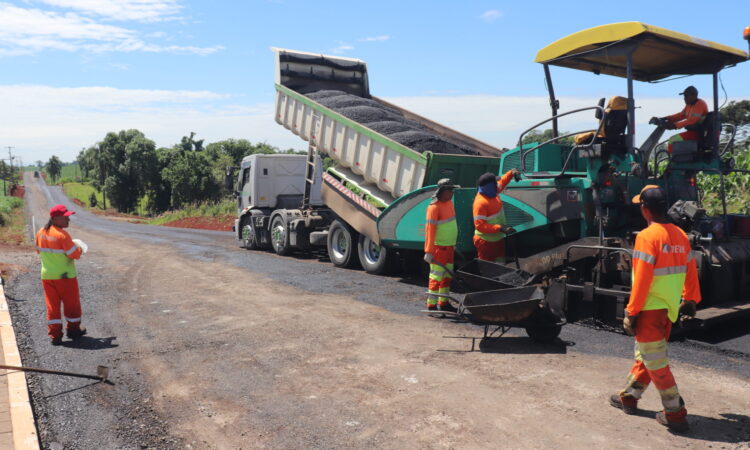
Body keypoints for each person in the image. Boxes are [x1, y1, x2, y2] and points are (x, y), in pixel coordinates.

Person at [609, 185, 701, 432]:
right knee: (648, 356)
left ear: (645, 209)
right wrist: (690, 299)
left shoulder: (647, 237)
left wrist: (632, 311)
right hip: (668, 310)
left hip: (649, 309)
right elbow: (691, 269)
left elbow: (641, 280)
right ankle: (629, 396)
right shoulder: (681, 235)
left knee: (656, 363)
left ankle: (676, 413)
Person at [35, 204, 87, 345]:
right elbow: (75, 255)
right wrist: (80, 248)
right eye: (66, 217)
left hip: (47, 276)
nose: (68, 220)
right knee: (72, 305)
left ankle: (55, 336)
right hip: (65, 277)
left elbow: (39, 251)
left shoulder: (40, 232)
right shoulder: (62, 235)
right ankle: (73, 330)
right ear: (56, 219)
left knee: (52, 306)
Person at [423, 179, 458, 312]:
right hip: (439, 249)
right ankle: (431, 306)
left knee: (447, 277)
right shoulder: (434, 207)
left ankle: (443, 303)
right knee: (436, 277)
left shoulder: (449, 203)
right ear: (442, 191)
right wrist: (429, 251)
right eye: (450, 190)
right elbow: (429, 231)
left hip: (449, 247)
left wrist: (453, 244)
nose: (452, 193)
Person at [472, 169, 518, 263]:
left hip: (498, 239)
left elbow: (502, 181)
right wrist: (500, 228)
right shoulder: (481, 203)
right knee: (487, 268)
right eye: (495, 183)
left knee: (500, 265)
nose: (498, 184)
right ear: (490, 187)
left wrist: (512, 173)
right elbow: (480, 226)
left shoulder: (492, 191)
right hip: (486, 242)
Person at [659, 86, 708, 153]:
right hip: (692, 132)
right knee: (672, 140)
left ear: (694, 95)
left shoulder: (700, 104)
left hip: (698, 134)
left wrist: (675, 125)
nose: (684, 98)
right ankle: (677, 160)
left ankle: (676, 160)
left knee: (673, 140)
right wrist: (666, 118)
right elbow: (680, 116)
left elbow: (692, 120)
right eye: (684, 96)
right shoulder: (689, 105)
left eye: (686, 96)